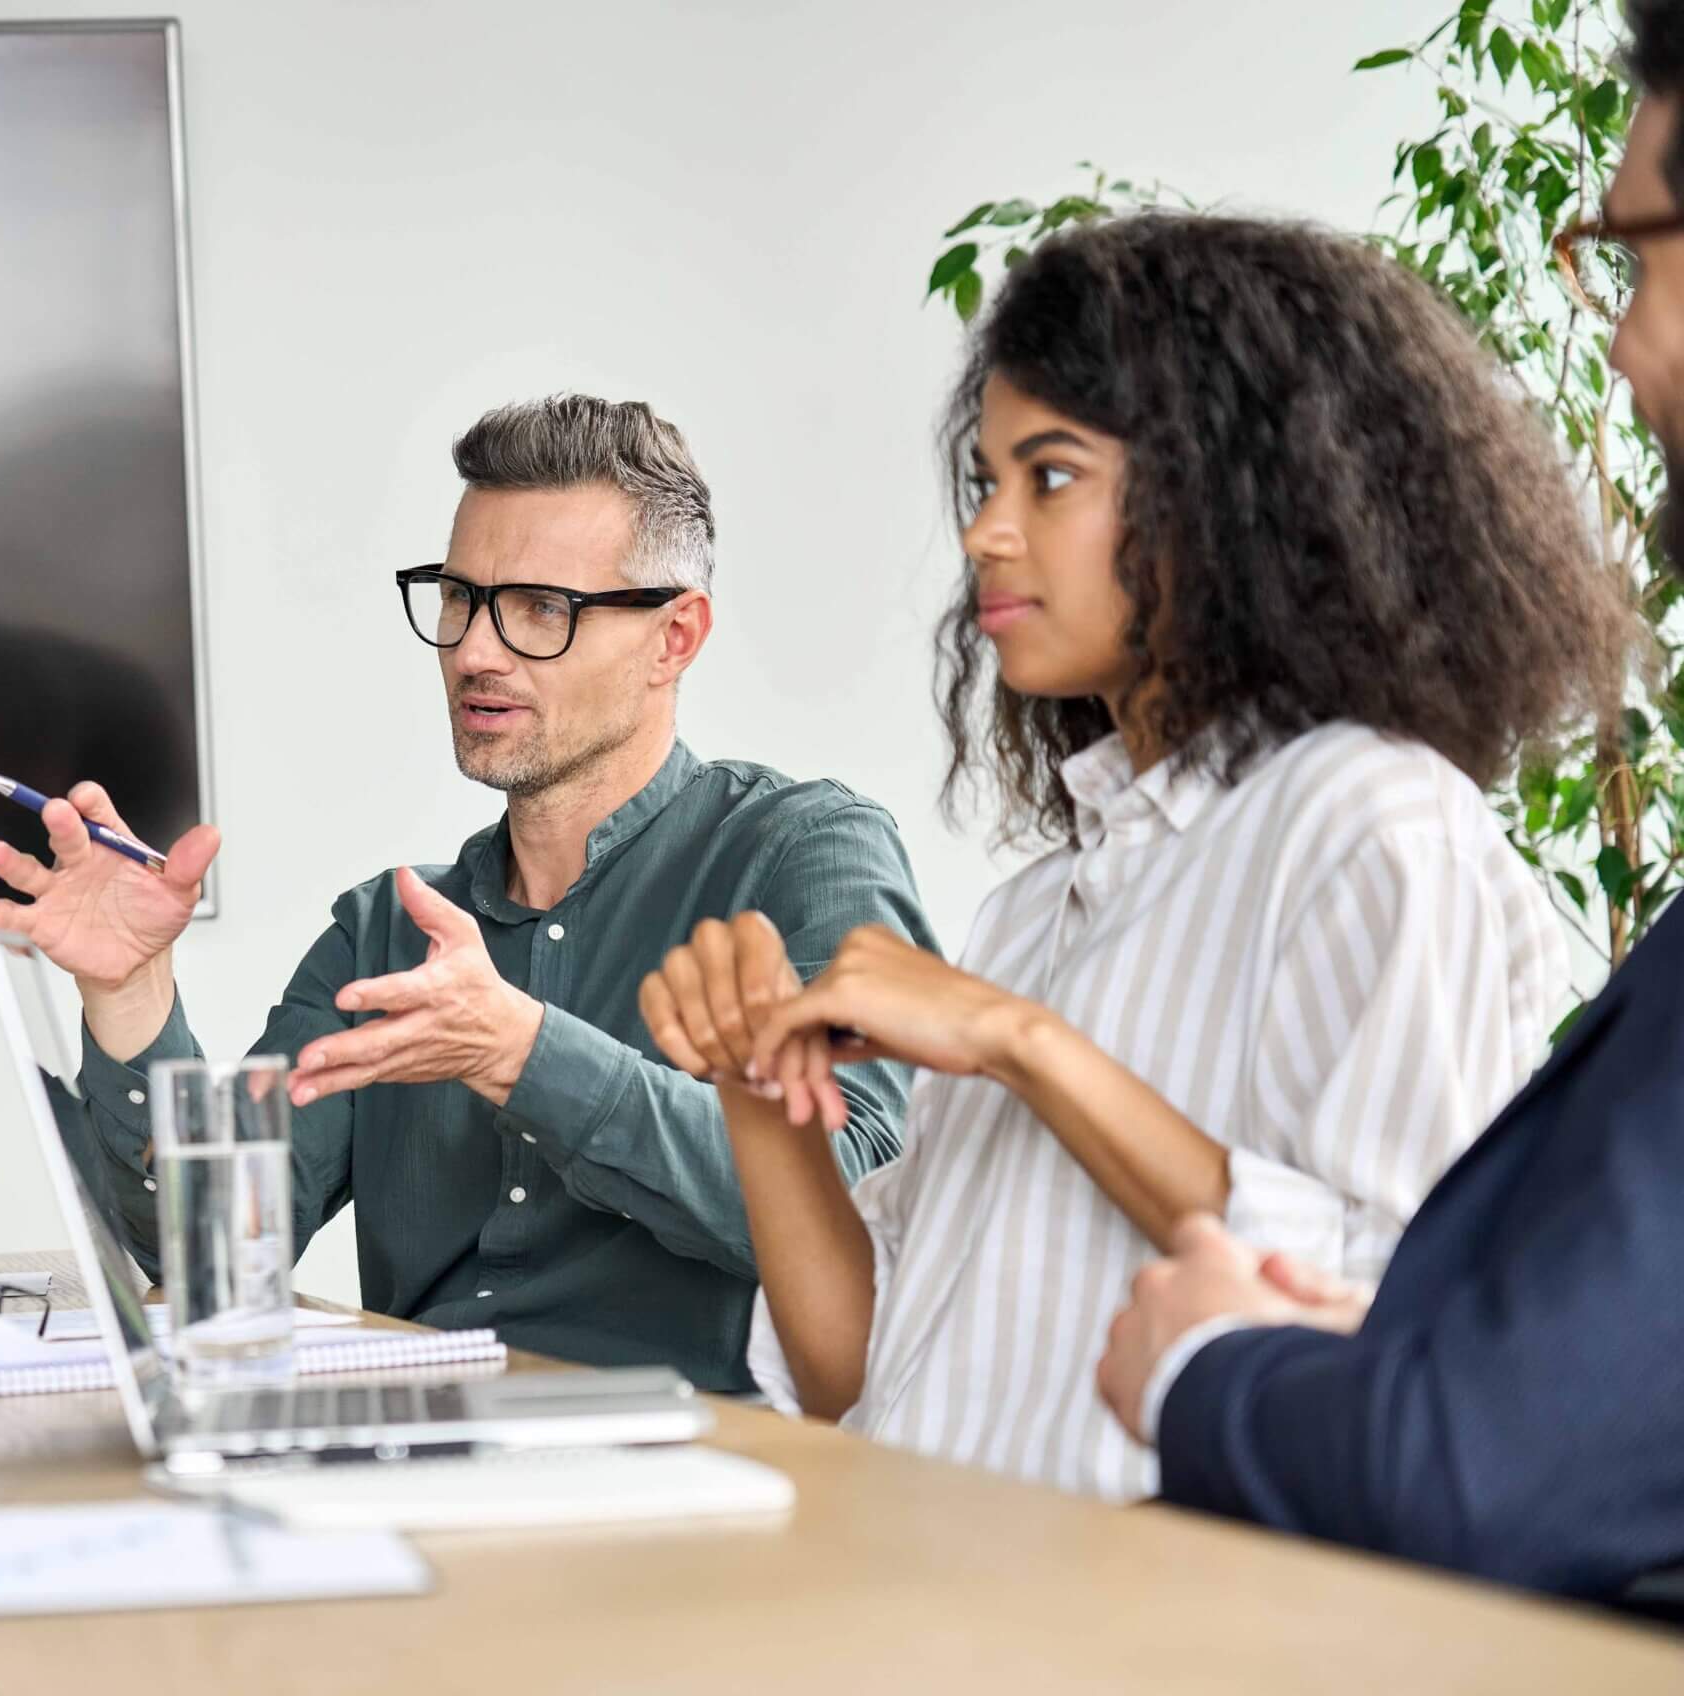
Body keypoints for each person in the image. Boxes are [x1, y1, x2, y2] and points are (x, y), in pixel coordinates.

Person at [639, 213, 1635, 1497]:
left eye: (1048, 477)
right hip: (921, 1606)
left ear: (1232, 494)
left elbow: (1389, 1323)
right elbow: (862, 1369)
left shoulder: (1372, 825)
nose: (987, 534)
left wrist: (1016, 1040)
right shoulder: (1037, 907)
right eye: (984, 482)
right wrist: (756, 1087)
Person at [0, 395, 936, 1389]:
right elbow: (202, 1254)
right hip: (418, 1457)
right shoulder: (386, 927)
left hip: (699, 1483)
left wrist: (523, 1055)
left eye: (540, 609)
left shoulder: (801, 853)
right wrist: (131, 995)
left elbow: (857, 1209)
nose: (473, 650)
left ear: (674, 638)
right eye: (459, 597)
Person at [1096, 0, 1684, 1599]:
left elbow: (1488, 1465)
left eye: (1639, 254)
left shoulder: (1382, 827)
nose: (1620, 345)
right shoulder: (1050, 880)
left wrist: (1207, 1360)